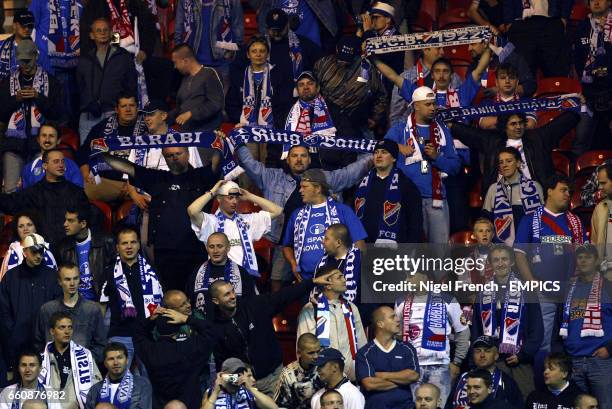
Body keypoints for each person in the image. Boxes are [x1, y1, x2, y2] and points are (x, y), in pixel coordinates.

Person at [232, 139, 371, 292]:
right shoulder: (272, 178)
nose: (299, 159)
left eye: (303, 156)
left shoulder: (324, 179)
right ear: (287, 158)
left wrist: (373, 151)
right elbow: (248, 163)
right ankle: (281, 315)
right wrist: (238, 140)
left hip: (323, 248)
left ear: (310, 159)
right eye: (294, 156)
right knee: (277, 282)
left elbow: (351, 173)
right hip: (283, 242)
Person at [99, 145, 217, 291]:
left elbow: (216, 165)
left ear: (188, 153)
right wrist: (102, 153)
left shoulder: (200, 176)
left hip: (196, 247)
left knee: (197, 292)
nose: (174, 158)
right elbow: (127, 168)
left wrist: (218, 145)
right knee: (170, 293)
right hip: (164, 249)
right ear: (164, 158)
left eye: (178, 153)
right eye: (169, 155)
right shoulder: (157, 178)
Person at [208, 270, 335, 396]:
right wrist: (237, 380)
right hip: (244, 385)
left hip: (273, 377)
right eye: (226, 294)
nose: (233, 296)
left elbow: (284, 295)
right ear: (216, 301)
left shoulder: (255, 305)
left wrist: (312, 282)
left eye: (233, 291)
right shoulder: (215, 326)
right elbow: (222, 367)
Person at [515, 175, 587, 351]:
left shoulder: (575, 222)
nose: (567, 195)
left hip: (571, 292)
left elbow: (585, 255)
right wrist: (531, 282)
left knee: (573, 341)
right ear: (549, 191)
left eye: (570, 192)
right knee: (544, 343)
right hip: (543, 293)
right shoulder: (530, 219)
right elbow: (519, 254)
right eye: (563, 190)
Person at [384, 86, 461, 244]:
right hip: (406, 199)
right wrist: (398, 147)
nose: (433, 108)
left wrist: (437, 157)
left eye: (433, 104)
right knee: (411, 254)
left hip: (436, 199)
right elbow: (382, 150)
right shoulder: (400, 129)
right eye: (428, 104)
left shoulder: (443, 131)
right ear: (416, 105)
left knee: (439, 256)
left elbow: (455, 166)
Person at [450, 105, 583, 196]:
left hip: (535, 196)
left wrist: (578, 107)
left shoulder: (538, 138)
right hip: (502, 198)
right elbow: (469, 134)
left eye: (520, 123)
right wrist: (450, 124)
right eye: (513, 124)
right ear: (504, 127)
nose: (518, 127)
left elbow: (561, 125)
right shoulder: (492, 141)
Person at [471, 244, 543, 400]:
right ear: (490, 263)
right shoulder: (483, 293)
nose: (500, 263)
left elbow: (537, 328)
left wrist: (523, 354)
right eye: (496, 260)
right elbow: (476, 329)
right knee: (492, 402)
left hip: (519, 361)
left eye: (504, 259)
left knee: (524, 401)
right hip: (491, 362)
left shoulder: (526, 290)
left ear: (512, 262)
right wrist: (481, 355)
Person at [394, 269, 470, 406]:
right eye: (405, 276)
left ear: (424, 277)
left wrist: (457, 362)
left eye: (410, 276)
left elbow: (463, 331)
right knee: (417, 406)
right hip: (412, 368)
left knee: (439, 405)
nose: (406, 280)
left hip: (440, 367)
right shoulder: (400, 302)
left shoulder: (447, 300)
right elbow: (397, 336)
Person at [553, 244, 612, 409]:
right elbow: (558, 325)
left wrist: (609, 348)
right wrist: (562, 355)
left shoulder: (608, 287)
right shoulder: (568, 290)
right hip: (574, 361)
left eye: (588, 257)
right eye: (580, 257)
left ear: (596, 261)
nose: (584, 260)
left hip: (600, 361)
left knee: (605, 405)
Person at [0, 39, 62, 194]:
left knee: (40, 191)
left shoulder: (51, 81)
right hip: (14, 146)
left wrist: (38, 97)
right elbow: (1, 114)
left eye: (28, 60)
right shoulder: (8, 82)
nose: (25, 65)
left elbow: (58, 113)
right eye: (22, 61)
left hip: (41, 146)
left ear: (36, 56)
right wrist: (16, 100)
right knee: (11, 191)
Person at [282, 168, 367, 280]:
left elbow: (359, 243)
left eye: (305, 187)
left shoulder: (342, 210)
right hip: (305, 280)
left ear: (318, 188)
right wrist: (293, 264)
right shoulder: (296, 215)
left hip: (336, 280)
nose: (300, 190)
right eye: (300, 186)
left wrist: (353, 271)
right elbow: (286, 245)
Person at [188, 180, 282, 277]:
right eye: (230, 197)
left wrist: (250, 196)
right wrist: (213, 192)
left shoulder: (247, 220)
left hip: (247, 276)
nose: (235, 201)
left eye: (237, 198)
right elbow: (192, 210)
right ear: (219, 198)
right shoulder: (211, 222)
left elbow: (277, 211)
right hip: (222, 277)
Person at [99, 227, 163, 367]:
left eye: (133, 242)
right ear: (117, 247)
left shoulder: (152, 270)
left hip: (148, 334)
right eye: (124, 243)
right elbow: (102, 306)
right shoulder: (108, 272)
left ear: (139, 245)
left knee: (150, 379)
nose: (129, 246)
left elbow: (161, 302)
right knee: (119, 380)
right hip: (120, 335)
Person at [133, 297, 213, 409]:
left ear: (158, 330)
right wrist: (187, 319)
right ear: (178, 330)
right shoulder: (189, 348)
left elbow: (138, 334)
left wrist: (150, 320)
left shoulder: (150, 351)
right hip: (190, 404)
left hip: (161, 405)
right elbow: (210, 332)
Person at [0, 149, 90, 245]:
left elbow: (87, 219)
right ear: (45, 166)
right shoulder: (33, 192)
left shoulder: (76, 192)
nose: (61, 165)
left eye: (62, 161)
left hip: (70, 250)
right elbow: (10, 202)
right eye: (56, 161)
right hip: (42, 251)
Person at [0, 233, 62, 368]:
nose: (38, 255)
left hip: (46, 342)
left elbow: (58, 309)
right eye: (34, 252)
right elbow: (4, 312)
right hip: (17, 344)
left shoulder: (52, 276)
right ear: (25, 252)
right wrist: (12, 336)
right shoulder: (10, 277)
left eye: (41, 251)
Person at [297, 268, 367, 381]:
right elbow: (304, 348)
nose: (345, 280)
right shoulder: (311, 309)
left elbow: (362, 344)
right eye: (339, 277)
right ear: (327, 284)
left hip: (351, 379)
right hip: (321, 380)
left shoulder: (351, 308)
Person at [77, 93, 147, 203]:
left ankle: (130, 191)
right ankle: (128, 192)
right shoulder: (102, 127)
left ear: (137, 108)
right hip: (106, 182)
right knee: (89, 187)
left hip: (137, 181)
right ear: (117, 109)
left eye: (132, 105)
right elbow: (84, 151)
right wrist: (86, 174)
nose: (128, 109)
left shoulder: (147, 126)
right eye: (124, 106)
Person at [313, 35, 388, 139]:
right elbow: (313, 91)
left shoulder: (366, 68)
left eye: (348, 59)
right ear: (336, 49)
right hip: (327, 122)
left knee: (365, 154)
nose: (344, 62)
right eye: (342, 58)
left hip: (358, 122)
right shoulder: (322, 64)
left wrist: (375, 117)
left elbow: (381, 95)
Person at [76, 18, 137, 144]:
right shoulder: (85, 59)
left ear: (111, 33)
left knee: (114, 154)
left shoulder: (123, 56)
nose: (103, 33)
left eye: (106, 30)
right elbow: (78, 87)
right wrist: (87, 104)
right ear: (92, 35)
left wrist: (119, 108)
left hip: (114, 113)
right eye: (98, 30)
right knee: (87, 154)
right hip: (89, 115)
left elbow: (131, 86)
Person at [354, 139, 422, 245]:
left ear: (394, 158)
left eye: (384, 152)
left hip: (395, 250)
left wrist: (410, 248)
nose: (379, 156)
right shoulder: (362, 184)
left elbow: (415, 222)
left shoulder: (406, 185)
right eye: (376, 152)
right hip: (364, 247)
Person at [35, 263, 106, 361]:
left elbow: (101, 345)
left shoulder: (92, 309)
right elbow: (38, 343)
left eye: (75, 278)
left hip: (83, 369)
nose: (72, 283)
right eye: (67, 279)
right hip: (53, 368)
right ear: (60, 281)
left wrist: (84, 361)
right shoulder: (47, 310)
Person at [355, 305, 420, 409]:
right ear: (380, 324)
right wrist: (402, 381)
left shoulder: (407, 348)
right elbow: (369, 384)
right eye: (392, 317)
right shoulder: (365, 353)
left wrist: (381, 375)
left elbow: (413, 376)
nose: (398, 320)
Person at [173, 0, 243, 90]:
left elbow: (238, 27)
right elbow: (179, 27)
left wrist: (234, 55)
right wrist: (180, 55)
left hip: (222, 60)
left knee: (220, 101)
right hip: (193, 60)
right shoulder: (185, 1)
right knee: (195, 101)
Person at [38, 312, 102, 409]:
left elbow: (96, 383)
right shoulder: (42, 358)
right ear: (52, 331)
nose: (67, 331)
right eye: (62, 327)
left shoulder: (84, 355)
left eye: (70, 327)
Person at [185, 232, 257, 317]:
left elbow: (251, 304)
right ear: (207, 248)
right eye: (211, 247)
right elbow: (189, 301)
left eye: (219, 246)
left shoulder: (242, 273)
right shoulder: (197, 273)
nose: (215, 251)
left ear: (228, 248)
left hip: (233, 325)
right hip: (203, 325)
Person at [482, 147, 543, 245]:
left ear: (518, 163)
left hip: (530, 246)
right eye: (501, 162)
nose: (504, 165)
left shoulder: (534, 187)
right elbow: (486, 220)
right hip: (502, 250)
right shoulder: (493, 189)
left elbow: (544, 218)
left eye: (509, 161)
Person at [279, 70, 339, 170]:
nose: (306, 87)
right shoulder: (285, 113)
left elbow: (347, 140)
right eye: (301, 84)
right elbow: (275, 143)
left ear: (318, 88)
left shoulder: (332, 111)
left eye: (310, 83)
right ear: (297, 90)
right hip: (293, 170)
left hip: (327, 169)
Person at [574, 0, 612, 152]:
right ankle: (575, 174)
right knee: (580, 140)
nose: (596, 2)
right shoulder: (582, 27)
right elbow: (576, 59)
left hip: (610, 90)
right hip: (588, 93)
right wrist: (579, 90)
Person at [55, 206, 116, 300]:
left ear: (83, 224)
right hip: (75, 303)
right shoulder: (63, 248)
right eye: (65, 220)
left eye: (70, 221)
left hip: (102, 301)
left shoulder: (107, 242)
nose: (65, 224)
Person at [446, 336, 523, 409]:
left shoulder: (506, 382)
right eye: (478, 351)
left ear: (496, 355)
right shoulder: (462, 378)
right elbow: (449, 406)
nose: (482, 355)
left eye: (487, 351)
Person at [389, 47, 461, 124]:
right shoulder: (407, 77)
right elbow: (395, 116)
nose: (442, 52)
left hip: (445, 131)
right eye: (438, 48)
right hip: (413, 133)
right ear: (426, 50)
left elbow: (460, 110)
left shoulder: (453, 77)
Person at [502, 0, 572, 78]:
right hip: (521, 25)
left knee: (557, 75)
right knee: (523, 76)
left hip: (550, 22)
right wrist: (509, 22)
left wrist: (564, 18)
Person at [168, 44, 224, 132]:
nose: (175, 67)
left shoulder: (210, 74)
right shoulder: (185, 79)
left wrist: (192, 113)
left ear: (185, 61)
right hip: (187, 133)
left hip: (206, 133)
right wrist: (164, 117)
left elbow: (215, 104)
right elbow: (180, 109)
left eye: (175, 62)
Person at [85, 342, 152, 409]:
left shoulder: (142, 384)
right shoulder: (95, 389)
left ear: (127, 360)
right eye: (111, 359)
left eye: (119, 358)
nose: (116, 362)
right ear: (105, 363)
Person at [476, 63, 537, 129]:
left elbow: (530, 124)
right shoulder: (486, 103)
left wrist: (498, 123)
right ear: (496, 82)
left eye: (511, 78)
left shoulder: (527, 102)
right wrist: (515, 122)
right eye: (503, 78)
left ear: (517, 82)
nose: (507, 81)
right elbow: (484, 124)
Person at [359, 2, 402, 96]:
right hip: (375, 83)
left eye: (376, 17)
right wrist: (360, 29)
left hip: (390, 87)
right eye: (372, 18)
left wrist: (367, 32)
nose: (373, 21)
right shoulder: (374, 35)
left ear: (388, 19)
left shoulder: (396, 37)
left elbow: (382, 57)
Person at [21, 123, 83, 189]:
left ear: (58, 140)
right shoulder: (29, 168)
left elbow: (78, 193)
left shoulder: (71, 165)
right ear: (38, 140)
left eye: (51, 136)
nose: (47, 140)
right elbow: (25, 196)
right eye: (44, 135)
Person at [0, 210, 57, 281]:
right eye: (21, 226)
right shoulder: (11, 253)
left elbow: (55, 281)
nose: (25, 229)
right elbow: (3, 283)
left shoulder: (47, 252)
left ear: (36, 227)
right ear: (17, 230)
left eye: (29, 225)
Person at [202, 359, 278, 409]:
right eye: (234, 373)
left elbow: (274, 408)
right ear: (223, 374)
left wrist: (250, 389)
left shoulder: (250, 392)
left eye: (240, 373)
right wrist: (215, 392)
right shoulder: (211, 392)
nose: (237, 377)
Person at [274, 333, 323, 409]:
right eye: (311, 353)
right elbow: (280, 406)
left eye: (318, 351)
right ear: (299, 353)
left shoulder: (326, 367)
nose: (316, 356)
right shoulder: (287, 374)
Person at [315, 224, 362, 302]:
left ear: (338, 242)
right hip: (326, 310)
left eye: (326, 239)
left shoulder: (360, 260)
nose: (322, 241)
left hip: (355, 311)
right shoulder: (323, 261)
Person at [0, 10, 37, 81]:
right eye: (23, 25)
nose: (27, 29)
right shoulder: (1, 46)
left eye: (30, 26)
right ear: (14, 25)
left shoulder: (38, 48)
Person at [591, 163, 612, 264]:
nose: (599, 187)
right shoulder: (599, 208)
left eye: (603, 183)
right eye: (599, 183)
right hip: (605, 273)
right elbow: (594, 243)